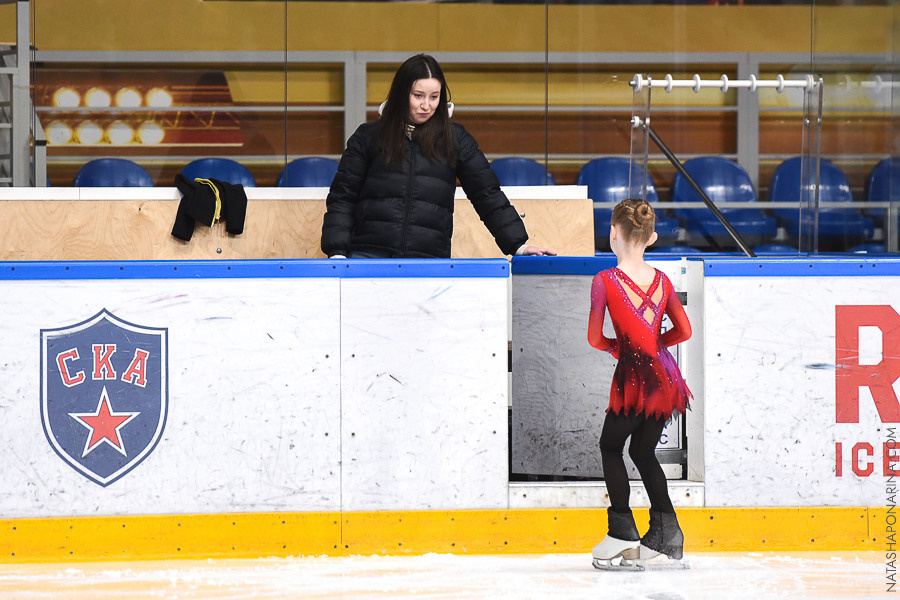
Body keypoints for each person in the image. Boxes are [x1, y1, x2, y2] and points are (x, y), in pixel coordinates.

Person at [321, 53, 554, 259]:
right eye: (418, 96)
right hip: (368, 255)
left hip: (429, 259)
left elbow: (487, 194)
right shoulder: (368, 136)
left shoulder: (456, 138)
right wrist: (337, 252)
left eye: (434, 97)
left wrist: (518, 245)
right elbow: (343, 196)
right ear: (402, 94)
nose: (426, 105)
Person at [586, 198, 692, 569]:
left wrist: (621, 348)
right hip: (666, 379)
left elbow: (594, 339)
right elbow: (684, 330)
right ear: (652, 238)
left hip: (634, 378)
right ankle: (666, 534)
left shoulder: (604, 280)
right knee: (643, 453)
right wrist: (654, 346)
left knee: (610, 446)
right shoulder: (662, 279)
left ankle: (622, 533)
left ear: (613, 233)